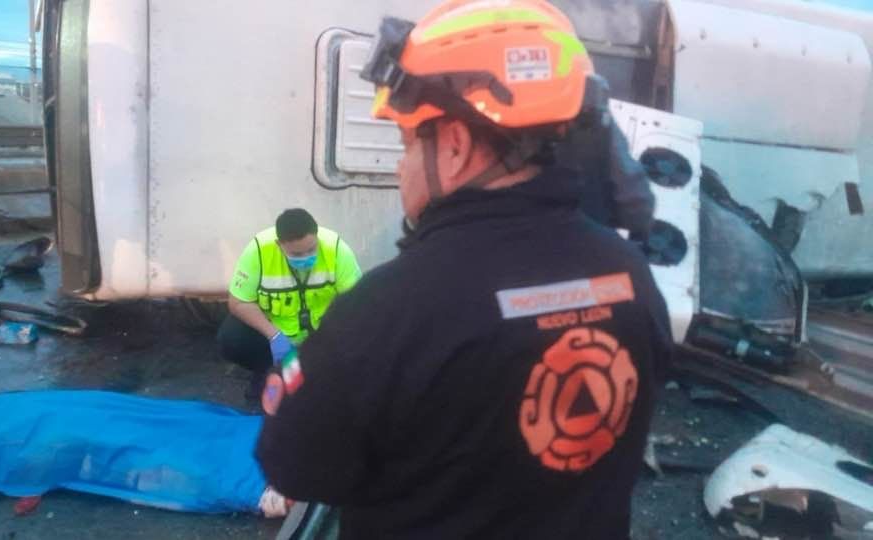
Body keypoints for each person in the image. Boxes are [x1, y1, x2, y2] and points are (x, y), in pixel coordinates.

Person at [256, 2, 672, 539]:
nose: (402, 168)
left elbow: (294, 467)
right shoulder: (631, 275)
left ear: (454, 145)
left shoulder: (384, 312)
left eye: (407, 144)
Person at [218, 208, 361, 402]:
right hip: (279, 337)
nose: (306, 258)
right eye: (296, 253)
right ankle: (269, 371)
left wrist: (329, 338)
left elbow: (355, 303)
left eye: (312, 249)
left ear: (317, 237)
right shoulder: (259, 250)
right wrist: (274, 336)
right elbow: (239, 302)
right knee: (232, 337)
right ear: (279, 245)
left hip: (322, 334)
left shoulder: (336, 249)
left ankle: (311, 375)